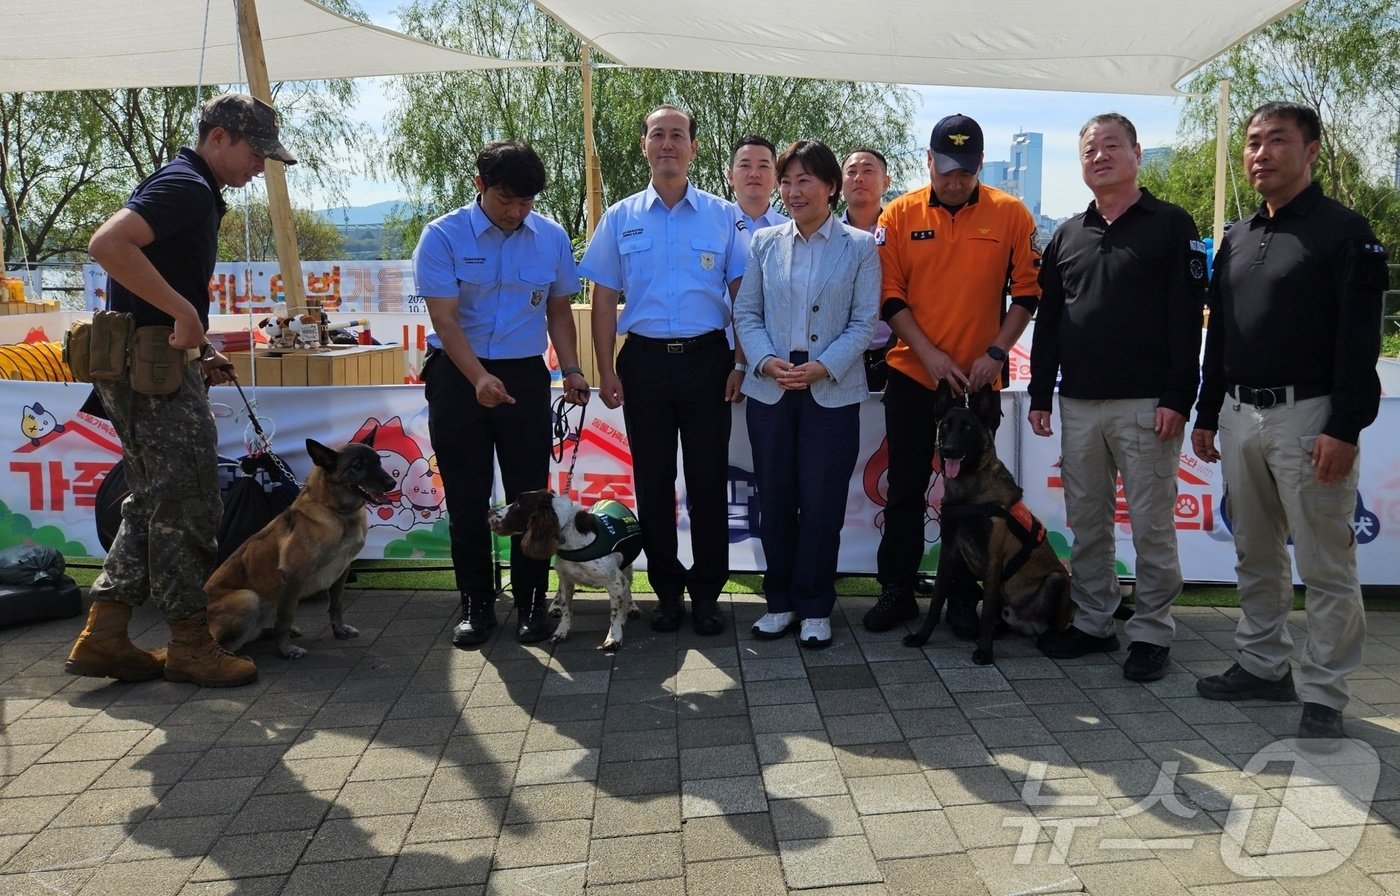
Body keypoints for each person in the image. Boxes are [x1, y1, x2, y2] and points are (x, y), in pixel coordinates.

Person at [64, 93, 297, 687]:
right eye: (254, 152)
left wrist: (194, 344)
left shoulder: (188, 184)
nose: (258, 166)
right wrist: (184, 317)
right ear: (218, 136)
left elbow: (143, 270)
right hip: (151, 370)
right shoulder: (187, 185)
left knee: (152, 500)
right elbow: (107, 245)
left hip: (152, 363)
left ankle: (107, 633)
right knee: (189, 500)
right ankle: (190, 643)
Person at [1191, 102, 1389, 741]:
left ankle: (1326, 693)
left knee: (1327, 562)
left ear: (1311, 151)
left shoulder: (1345, 232)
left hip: (1311, 418)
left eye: (1278, 141)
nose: (1260, 154)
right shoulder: (1239, 235)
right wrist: (1207, 411)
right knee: (1255, 550)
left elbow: (1360, 341)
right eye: (1252, 142)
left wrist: (1345, 426)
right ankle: (1262, 664)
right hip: (1239, 415)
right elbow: (1220, 332)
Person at [1028, 113, 1207, 681]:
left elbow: (1188, 321)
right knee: (1087, 521)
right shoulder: (1066, 234)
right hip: (1078, 402)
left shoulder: (1172, 225)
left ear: (1136, 152)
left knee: (1152, 524)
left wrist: (1179, 396)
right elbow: (1050, 321)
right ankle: (1093, 622)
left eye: (1111, 145)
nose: (1099, 155)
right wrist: (1039, 392)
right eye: (1089, 148)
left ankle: (1152, 633)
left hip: (1148, 404)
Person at [865, 113, 1042, 637]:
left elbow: (1028, 294)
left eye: (965, 170)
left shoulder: (1011, 214)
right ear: (928, 160)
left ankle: (964, 599)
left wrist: (996, 350)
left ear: (980, 165)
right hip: (914, 379)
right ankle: (896, 591)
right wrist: (929, 354)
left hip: (977, 387)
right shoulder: (897, 215)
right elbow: (889, 297)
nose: (954, 180)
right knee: (905, 490)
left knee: (970, 500)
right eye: (945, 169)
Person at [414, 140, 590, 649]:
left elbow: (559, 311)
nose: (515, 213)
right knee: (467, 498)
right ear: (480, 186)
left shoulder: (551, 237)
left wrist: (573, 369)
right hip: (457, 375)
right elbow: (444, 321)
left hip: (524, 376)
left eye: (526, 203)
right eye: (505, 200)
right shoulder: (443, 236)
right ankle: (476, 605)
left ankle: (533, 605)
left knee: (530, 501)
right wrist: (477, 379)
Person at [581, 104, 748, 636]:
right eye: (658, 135)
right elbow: (604, 299)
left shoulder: (723, 216)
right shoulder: (621, 217)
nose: (668, 143)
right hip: (645, 364)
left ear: (694, 148)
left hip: (707, 362)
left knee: (705, 484)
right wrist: (605, 368)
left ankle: (706, 595)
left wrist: (741, 359)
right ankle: (667, 594)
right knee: (653, 485)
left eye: (678, 135)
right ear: (644, 146)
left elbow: (745, 296)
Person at [734, 139, 878, 648]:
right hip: (770, 385)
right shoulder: (765, 243)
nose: (793, 192)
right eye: (787, 181)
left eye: (805, 182)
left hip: (831, 389)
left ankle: (816, 606)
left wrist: (822, 366)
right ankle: (779, 602)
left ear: (831, 188)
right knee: (775, 500)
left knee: (821, 504)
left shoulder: (860, 247)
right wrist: (766, 360)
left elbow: (864, 323)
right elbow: (745, 312)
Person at [840, 148, 896, 391]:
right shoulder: (825, 235)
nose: (859, 178)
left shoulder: (901, 233)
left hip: (896, 356)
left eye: (868, 171)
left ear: (886, 183)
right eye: (851, 172)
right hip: (840, 359)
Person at [728, 135, 789, 232]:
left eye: (763, 166)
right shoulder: (715, 225)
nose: (754, 174)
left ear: (777, 178)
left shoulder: (790, 232)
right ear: (730, 177)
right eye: (745, 165)